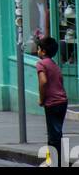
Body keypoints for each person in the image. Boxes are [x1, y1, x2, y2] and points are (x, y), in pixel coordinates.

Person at [36, 36, 68, 166]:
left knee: (53, 135)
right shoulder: (54, 64)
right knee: (57, 132)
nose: (37, 51)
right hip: (62, 101)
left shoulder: (41, 64)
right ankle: (58, 160)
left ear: (43, 51)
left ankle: (55, 162)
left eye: (38, 49)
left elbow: (43, 81)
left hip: (52, 103)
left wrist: (41, 98)